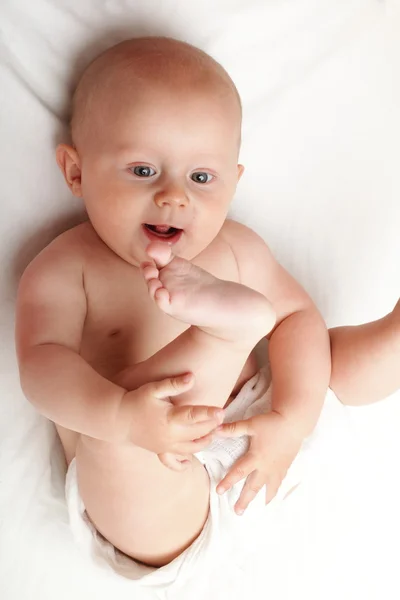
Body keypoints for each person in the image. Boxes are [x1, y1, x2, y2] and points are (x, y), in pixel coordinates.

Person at [15, 36, 400, 582]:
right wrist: (122, 418)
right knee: (111, 457)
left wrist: (291, 419)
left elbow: (297, 319)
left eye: (201, 178)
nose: (175, 197)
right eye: (143, 170)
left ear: (233, 183)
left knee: (330, 361)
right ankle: (226, 334)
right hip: (155, 467)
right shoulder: (65, 268)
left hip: (261, 428)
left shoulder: (236, 247)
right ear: (75, 172)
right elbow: (42, 370)